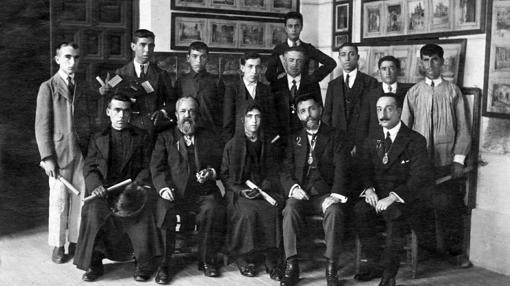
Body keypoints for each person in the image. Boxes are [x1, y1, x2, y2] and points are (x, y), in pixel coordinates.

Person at [74, 94, 160, 282]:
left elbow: (148, 167)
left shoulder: (142, 137)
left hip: (132, 192)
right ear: (108, 112)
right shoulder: (98, 138)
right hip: (105, 194)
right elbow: (89, 167)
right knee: (92, 212)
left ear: (131, 113)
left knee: (143, 213)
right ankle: (94, 265)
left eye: (126, 111)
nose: (121, 115)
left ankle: (142, 263)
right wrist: (96, 186)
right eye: (117, 110)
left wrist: (137, 185)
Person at [354, 93, 433, 286]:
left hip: (405, 199)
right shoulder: (372, 139)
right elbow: (364, 169)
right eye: (379, 109)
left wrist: (393, 197)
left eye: (389, 108)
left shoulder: (415, 140)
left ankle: (389, 275)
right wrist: (369, 189)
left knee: (394, 214)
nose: (383, 114)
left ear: (399, 111)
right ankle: (375, 264)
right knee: (359, 211)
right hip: (377, 196)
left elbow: (419, 177)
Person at [401, 43, 471, 260]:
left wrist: (458, 160)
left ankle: (454, 253)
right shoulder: (413, 93)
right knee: (418, 205)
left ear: (442, 62)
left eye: (434, 60)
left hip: (445, 163)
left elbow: (464, 129)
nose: (430, 65)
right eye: (425, 60)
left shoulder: (453, 92)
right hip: (419, 165)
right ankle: (426, 251)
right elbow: (403, 131)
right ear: (421, 63)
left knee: (449, 205)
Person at [151, 97, 226, 283]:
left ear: (197, 115)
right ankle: (164, 265)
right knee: (164, 209)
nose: (187, 116)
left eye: (191, 111)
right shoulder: (165, 137)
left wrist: (211, 172)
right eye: (183, 112)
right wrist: (163, 188)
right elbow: (156, 168)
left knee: (213, 207)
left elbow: (220, 163)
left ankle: (206, 260)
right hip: (174, 194)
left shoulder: (208, 136)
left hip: (202, 193)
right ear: (176, 115)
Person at [35, 42, 97, 264]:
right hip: (59, 155)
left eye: (76, 58)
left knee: (81, 199)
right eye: (68, 57)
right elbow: (41, 126)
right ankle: (58, 245)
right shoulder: (48, 87)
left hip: (81, 151)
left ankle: (76, 241)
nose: (72, 62)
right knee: (59, 201)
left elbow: (89, 120)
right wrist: (47, 157)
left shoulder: (83, 86)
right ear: (58, 59)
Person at [279, 93, 349, 286]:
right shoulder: (294, 139)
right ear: (298, 115)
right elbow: (285, 170)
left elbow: (343, 168)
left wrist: (334, 195)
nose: (308, 115)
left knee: (334, 212)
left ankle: (331, 268)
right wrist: (293, 188)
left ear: (320, 109)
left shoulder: (336, 136)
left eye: (311, 109)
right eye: (302, 111)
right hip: (302, 194)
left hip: (326, 194)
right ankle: (291, 265)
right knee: (290, 209)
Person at [221, 103, 284, 280]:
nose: (254, 121)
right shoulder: (232, 145)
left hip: (264, 191)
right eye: (249, 116)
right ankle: (243, 257)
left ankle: (271, 259)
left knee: (273, 210)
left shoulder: (268, 143)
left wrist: (264, 186)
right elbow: (226, 176)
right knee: (247, 213)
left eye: (257, 116)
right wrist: (241, 191)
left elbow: (274, 171)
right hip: (239, 193)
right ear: (243, 120)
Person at [99, 29, 176, 135]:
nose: (147, 50)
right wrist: (104, 91)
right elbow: (110, 98)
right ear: (133, 46)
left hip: (152, 130)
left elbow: (173, 102)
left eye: (151, 46)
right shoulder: (120, 73)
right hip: (127, 130)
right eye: (143, 45)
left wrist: (162, 112)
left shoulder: (161, 75)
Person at [323, 42, 378, 157]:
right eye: (343, 55)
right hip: (337, 144)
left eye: (351, 54)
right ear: (339, 58)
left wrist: (361, 143)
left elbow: (373, 118)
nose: (347, 58)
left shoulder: (370, 83)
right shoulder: (333, 85)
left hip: (362, 145)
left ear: (357, 57)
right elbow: (327, 116)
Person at [266, 11, 337, 84]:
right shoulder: (279, 49)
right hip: (284, 91)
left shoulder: (308, 48)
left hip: (304, 90)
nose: (293, 30)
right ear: (286, 28)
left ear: (301, 27)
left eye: (297, 26)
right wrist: (280, 78)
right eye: (290, 26)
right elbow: (269, 75)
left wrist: (313, 78)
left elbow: (331, 63)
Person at [223, 51, 279, 143]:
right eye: (250, 66)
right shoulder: (232, 90)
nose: (254, 71)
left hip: (261, 143)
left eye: (257, 67)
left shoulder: (267, 90)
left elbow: (271, 120)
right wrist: (230, 146)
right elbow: (228, 122)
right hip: (239, 142)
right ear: (242, 68)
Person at [271, 46, 322, 146]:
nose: (295, 64)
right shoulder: (275, 85)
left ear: (303, 63)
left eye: (299, 61)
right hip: (282, 139)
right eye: (291, 60)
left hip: (306, 137)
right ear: (285, 62)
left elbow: (319, 110)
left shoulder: (312, 84)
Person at [175, 41, 225, 133]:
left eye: (203, 57)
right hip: (186, 131)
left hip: (210, 131)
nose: (199, 61)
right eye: (195, 56)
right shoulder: (181, 82)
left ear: (207, 59)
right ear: (188, 58)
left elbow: (222, 111)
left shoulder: (216, 82)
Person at [357, 56, 407, 146]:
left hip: (401, 143)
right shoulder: (370, 95)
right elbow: (363, 124)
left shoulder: (407, 94)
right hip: (375, 145)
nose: (387, 72)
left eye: (391, 68)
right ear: (379, 72)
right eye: (384, 69)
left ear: (398, 70)